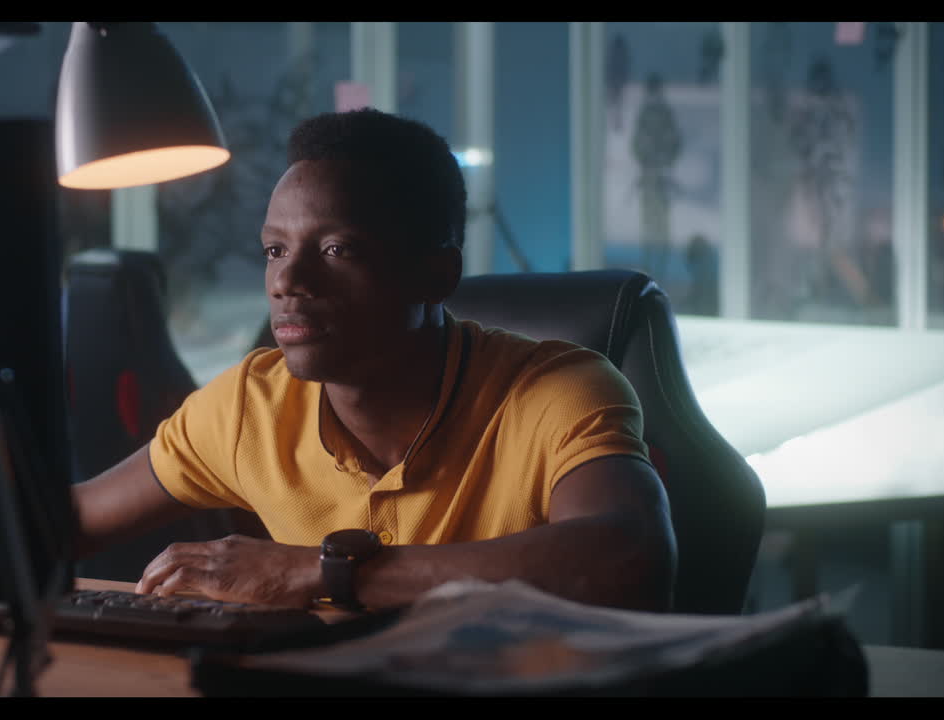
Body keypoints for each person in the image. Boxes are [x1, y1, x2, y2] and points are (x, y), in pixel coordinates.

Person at [72, 109, 676, 614]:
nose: (286, 279)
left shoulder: (558, 389)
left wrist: (323, 573)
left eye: (337, 249)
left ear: (437, 274)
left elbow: (627, 556)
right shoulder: (249, 406)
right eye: (274, 249)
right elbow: (63, 523)